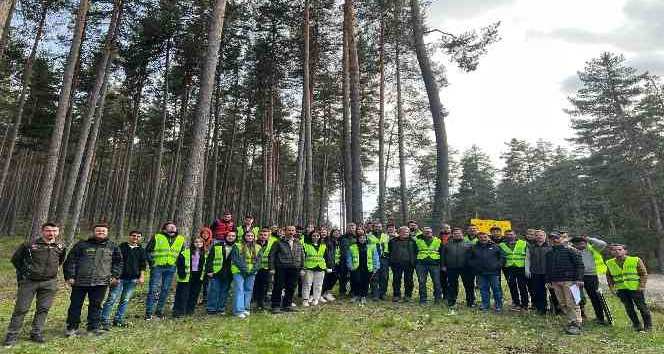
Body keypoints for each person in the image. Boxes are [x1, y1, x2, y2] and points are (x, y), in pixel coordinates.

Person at [3, 223, 66, 347]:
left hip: (49, 283)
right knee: (21, 309)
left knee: (43, 308)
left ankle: (36, 333)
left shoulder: (60, 246)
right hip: (29, 282)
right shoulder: (29, 245)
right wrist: (25, 274)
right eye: (48, 231)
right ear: (42, 231)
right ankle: (12, 335)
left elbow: (60, 261)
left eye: (54, 231)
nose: (51, 233)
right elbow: (16, 260)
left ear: (58, 232)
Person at [64, 224, 122, 337]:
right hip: (79, 281)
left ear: (107, 233)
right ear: (93, 232)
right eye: (98, 231)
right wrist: (70, 276)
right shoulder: (82, 245)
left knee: (96, 305)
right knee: (75, 305)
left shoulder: (113, 246)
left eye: (103, 231)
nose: (101, 232)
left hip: (101, 282)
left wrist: (115, 276)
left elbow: (118, 262)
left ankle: (93, 327)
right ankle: (72, 327)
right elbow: (71, 261)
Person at [101, 230, 146, 329]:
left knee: (125, 300)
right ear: (129, 236)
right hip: (119, 278)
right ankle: (104, 320)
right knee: (111, 299)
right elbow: (113, 262)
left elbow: (143, 265)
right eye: (133, 236)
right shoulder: (121, 247)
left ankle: (118, 320)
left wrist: (141, 277)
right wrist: (114, 276)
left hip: (133, 279)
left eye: (138, 236)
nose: (136, 238)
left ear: (141, 238)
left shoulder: (141, 250)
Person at [545, 232, 584, 335]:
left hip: (569, 281)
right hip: (555, 281)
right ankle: (571, 320)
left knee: (571, 303)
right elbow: (548, 268)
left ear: (562, 239)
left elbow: (579, 265)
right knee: (562, 303)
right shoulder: (549, 253)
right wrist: (548, 281)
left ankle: (576, 324)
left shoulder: (571, 250)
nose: (554, 240)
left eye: (556, 238)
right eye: (552, 238)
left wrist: (579, 279)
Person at [606, 244, 652, 332]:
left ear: (625, 251)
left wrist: (641, 286)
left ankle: (648, 327)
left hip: (635, 288)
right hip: (621, 289)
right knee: (629, 307)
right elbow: (609, 276)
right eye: (614, 250)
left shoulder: (635, 260)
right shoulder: (609, 263)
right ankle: (636, 325)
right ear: (612, 252)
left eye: (620, 249)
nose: (617, 251)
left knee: (642, 307)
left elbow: (643, 274)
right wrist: (611, 288)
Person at [144, 222, 185, 319]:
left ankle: (159, 311)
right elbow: (148, 251)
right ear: (164, 229)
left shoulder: (180, 239)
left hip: (171, 267)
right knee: (153, 289)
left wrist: (177, 264)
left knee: (165, 289)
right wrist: (152, 263)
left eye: (174, 227)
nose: (172, 228)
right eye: (170, 227)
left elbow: (181, 254)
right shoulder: (157, 237)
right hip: (157, 266)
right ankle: (148, 312)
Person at [570, 235, 608, 324]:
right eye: (578, 243)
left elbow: (603, 244)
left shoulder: (593, 249)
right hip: (576, 276)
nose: (581, 245)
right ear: (574, 245)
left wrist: (589, 238)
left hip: (591, 276)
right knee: (577, 297)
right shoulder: (571, 251)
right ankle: (580, 315)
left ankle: (600, 317)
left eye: (583, 242)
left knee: (595, 297)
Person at [269, 225, 305, 313]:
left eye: (293, 230)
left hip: (295, 268)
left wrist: (302, 268)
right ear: (285, 231)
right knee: (278, 286)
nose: (291, 232)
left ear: (295, 232)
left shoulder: (298, 243)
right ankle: (275, 306)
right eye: (289, 230)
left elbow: (302, 256)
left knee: (291, 287)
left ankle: (287, 305)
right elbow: (272, 256)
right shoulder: (278, 243)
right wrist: (272, 268)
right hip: (281, 268)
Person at [469, 232, 505, 313]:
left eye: (485, 237)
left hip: (494, 272)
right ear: (478, 238)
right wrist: (475, 266)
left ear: (488, 237)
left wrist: (498, 265)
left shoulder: (495, 246)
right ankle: (485, 305)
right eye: (481, 237)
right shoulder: (474, 247)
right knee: (483, 289)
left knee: (496, 289)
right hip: (480, 273)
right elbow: (470, 258)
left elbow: (502, 257)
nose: (483, 239)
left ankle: (498, 305)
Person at [230, 231, 263, 318]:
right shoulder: (237, 245)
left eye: (252, 235)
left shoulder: (258, 247)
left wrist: (253, 269)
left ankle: (245, 308)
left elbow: (259, 261)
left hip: (251, 272)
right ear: (244, 236)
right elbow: (236, 259)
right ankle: (238, 310)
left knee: (248, 290)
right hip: (238, 271)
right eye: (248, 235)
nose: (250, 237)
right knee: (239, 289)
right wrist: (245, 269)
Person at [172, 235, 206, 317]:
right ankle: (178, 311)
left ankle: (189, 310)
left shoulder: (205, 254)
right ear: (193, 243)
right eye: (196, 242)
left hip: (198, 277)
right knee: (182, 294)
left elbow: (206, 266)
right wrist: (181, 273)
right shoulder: (186, 252)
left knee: (194, 294)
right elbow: (179, 264)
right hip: (186, 276)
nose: (198, 244)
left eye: (200, 242)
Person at [443, 228, 475, 308]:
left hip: (466, 268)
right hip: (452, 268)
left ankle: (470, 301)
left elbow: (474, 256)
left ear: (462, 234)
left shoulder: (469, 244)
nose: (457, 235)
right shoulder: (447, 244)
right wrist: (443, 265)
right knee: (452, 285)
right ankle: (451, 301)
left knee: (469, 285)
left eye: (459, 233)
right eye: (455, 233)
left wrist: (472, 265)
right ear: (452, 235)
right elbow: (443, 256)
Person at [206, 231, 236, 314]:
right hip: (216, 271)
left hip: (229, 273)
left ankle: (220, 308)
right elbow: (210, 259)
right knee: (214, 290)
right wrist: (209, 270)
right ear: (225, 237)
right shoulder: (217, 246)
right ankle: (211, 309)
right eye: (229, 236)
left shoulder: (237, 247)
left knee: (224, 291)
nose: (231, 237)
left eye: (233, 236)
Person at [499, 230, 529, 312]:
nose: (509, 236)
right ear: (505, 236)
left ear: (515, 235)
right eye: (507, 235)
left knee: (522, 287)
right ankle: (516, 303)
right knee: (512, 286)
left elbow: (528, 256)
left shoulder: (524, 243)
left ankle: (525, 304)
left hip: (520, 267)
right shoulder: (501, 245)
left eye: (511, 234)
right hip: (508, 268)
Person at [347, 233, 380, 304]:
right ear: (358, 239)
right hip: (356, 267)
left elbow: (375, 257)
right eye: (360, 238)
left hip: (367, 267)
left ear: (366, 239)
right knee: (356, 281)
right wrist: (350, 266)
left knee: (365, 282)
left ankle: (363, 296)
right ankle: (356, 295)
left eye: (364, 238)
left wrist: (376, 267)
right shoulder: (352, 247)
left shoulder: (371, 246)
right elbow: (349, 257)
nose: (362, 239)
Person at [387, 226, 416, 302]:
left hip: (409, 263)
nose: (405, 233)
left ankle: (408, 295)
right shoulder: (393, 241)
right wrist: (392, 261)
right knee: (396, 280)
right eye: (403, 231)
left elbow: (415, 252)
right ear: (399, 232)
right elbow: (390, 251)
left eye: (407, 232)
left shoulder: (413, 241)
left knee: (409, 280)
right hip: (396, 263)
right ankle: (396, 295)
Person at [415, 227, 443, 304]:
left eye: (429, 232)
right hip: (421, 264)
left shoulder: (438, 241)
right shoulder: (418, 241)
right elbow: (414, 251)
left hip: (435, 264)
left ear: (432, 232)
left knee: (437, 282)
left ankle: (438, 299)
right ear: (422, 233)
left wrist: (441, 263)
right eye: (426, 232)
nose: (428, 233)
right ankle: (423, 300)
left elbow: (442, 253)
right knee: (422, 282)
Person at [302, 232, 332, 306]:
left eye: (317, 236)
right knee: (307, 284)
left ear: (320, 237)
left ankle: (316, 299)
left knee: (318, 284)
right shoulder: (306, 245)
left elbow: (327, 257)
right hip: (309, 267)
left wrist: (328, 267)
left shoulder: (323, 246)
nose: (315, 237)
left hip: (320, 267)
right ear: (311, 237)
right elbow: (302, 257)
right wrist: (302, 268)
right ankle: (305, 300)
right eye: (314, 236)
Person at [525, 230, 551, 315]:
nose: (539, 237)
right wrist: (527, 270)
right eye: (537, 235)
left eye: (541, 235)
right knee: (539, 291)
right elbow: (527, 259)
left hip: (548, 272)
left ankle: (555, 309)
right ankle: (541, 309)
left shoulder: (550, 246)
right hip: (535, 272)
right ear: (535, 237)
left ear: (545, 236)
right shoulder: (531, 247)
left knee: (553, 291)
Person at [254, 227, 277, 310]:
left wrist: (272, 268)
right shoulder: (253, 243)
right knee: (255, 285)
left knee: (264, 286)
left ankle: (261, 302)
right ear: (258, 235)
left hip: (266, 268)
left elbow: (273, 256)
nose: (263, 236)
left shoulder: (271, 244)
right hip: (255, 268)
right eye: (261, 235)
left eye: (265, 235)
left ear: (268, 236)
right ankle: (254, 301)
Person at [367, 222, 388, 300]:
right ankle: (375, 294)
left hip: (384, 258)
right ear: (373, 227)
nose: (377, 228)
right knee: (374, 276)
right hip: (373, 258)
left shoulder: (386, 236)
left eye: (379, 227)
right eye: (376, 227)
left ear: (381, 227)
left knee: (384, 277)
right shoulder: (368, 236)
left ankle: (383, 293)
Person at [321, 229, 342, 302]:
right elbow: (327, 254)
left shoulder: (339, 242)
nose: (337, 234)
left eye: (339, 232)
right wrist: (327, 264)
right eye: (335, 232)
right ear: (332, 233)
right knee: (327, 279)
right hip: (329, 264)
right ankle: (322, 293)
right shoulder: (329, 241)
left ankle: (327, 292)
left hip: (336, 264)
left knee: (334, 278)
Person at [337, 223, 356, 298]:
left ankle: (352, 291)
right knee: (343, 276)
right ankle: (342, 291)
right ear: (347, 229)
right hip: (343, 259)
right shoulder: (341, 238)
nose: (352, 229)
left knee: (353, 276)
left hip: (354, 261)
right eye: (350, 228)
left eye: (353, 228)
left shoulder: (357, 238)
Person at [438, 223, 452, 300]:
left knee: (451, 280)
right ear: (441, 229)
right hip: (440, 262)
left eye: (447, 228)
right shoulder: (437, 239)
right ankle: (445, 295)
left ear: (450, 229)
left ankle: (451, 295)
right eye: (444, 228)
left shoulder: (453, 238)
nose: (446, 229)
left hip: (451, 262)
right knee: (442, 280)